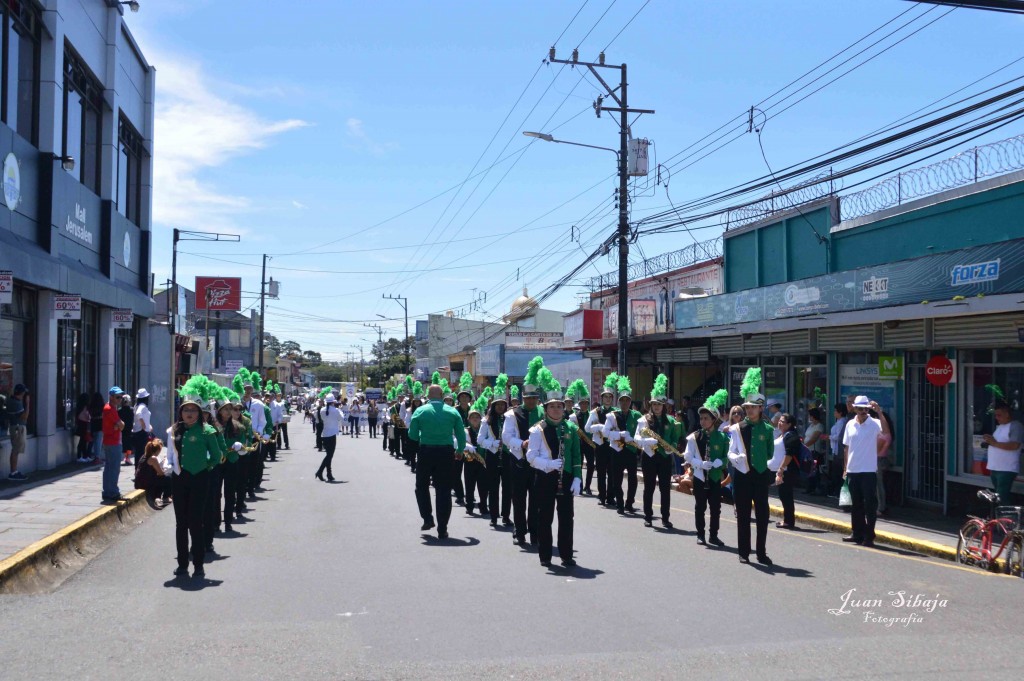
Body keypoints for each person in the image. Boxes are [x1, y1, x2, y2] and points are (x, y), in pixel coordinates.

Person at [166, 396, 222, 578]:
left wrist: (206, 467)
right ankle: (182, 564)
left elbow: (216, 456)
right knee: (181, 523)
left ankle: (198, 564)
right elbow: (169, 455)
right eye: (186, 410)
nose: (189, 414)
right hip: (179, 479)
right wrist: (169, 467)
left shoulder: (207, 431)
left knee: (196, 523)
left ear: (200, 413)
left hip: (200, 478)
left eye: (193, 410)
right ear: (180, 412)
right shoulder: (174, 431)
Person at [527, 392, 582, 568]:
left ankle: (566, 554)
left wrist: (577, 479)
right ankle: (545, 556)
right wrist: (549, 464)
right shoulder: (538, 429)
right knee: (545, 517)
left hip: (565, 478)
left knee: (566, 518)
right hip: (544, 476)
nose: (556, 409)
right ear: (545, 409)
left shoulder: (571, 428)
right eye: (552, 406)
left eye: (559, 406)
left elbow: (576, 456)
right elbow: (531, 457)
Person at [727, 369, 775, 565]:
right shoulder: (737, 429)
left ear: (761, 408)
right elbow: (730, 453)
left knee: (763, 516)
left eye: (753, 407)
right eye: (747, 408)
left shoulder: (768, 429)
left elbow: (771, 453)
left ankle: (761, 553)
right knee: (744, 515)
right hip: (742, 475)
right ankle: (744, 551)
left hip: (761, 475)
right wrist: (738, 458)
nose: (749, 411)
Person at [409, 383, 466, 539]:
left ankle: (427, 517)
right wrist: (460, 450)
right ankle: (442, 528)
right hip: (446, 453)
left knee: (421, 486)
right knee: (444, 490)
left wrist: (423, 436)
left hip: (426, 451)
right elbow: (461, 435)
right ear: (442, 396)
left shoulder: (420, 411)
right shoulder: (452, 411)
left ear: (428, 396)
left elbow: (412, 435)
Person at [503, 362, 546, 546]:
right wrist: (521, 443)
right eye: (528, 398)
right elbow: (506, 437)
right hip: (519, 461)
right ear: (522, 398)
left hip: (537, 463)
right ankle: (519, 532)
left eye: (534, 398)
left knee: (536, 500)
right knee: (519, 499)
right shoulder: (512, 414)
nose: (531, 401)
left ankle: (535, 532)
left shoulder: (544, 412)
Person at [634, 374, 682, 528]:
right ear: (650, 404)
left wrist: (671, 446)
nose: (656, 407)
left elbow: (676, 439)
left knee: (665, 489)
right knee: (649, 487)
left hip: (665, 457)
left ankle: (665, 518)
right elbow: (636, 438)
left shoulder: (671, 421)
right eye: (654, 404)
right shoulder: (643, 420)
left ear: (664, 406)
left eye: (659, 404)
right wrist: (647, 441)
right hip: (649, 456)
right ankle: (648, 516)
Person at [843, 395, 890, 548]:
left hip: (868, 471)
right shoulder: (850, 424)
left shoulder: (875, 423)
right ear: (855, 409)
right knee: (856, 505)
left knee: (870, 505)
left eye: (865, 409)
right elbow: (846, 447)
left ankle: (869, 535)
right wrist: (845, 468)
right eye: (859, 409)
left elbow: (886, 432)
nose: (862, 411)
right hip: (853, 470)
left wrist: (880, 412)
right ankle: (857, 532)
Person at [683, 390, 730, 546]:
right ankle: (700, 534)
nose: (702, 421)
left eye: (706, 418)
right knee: (700, 507)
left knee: (716, 508)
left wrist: (720, 463)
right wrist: (700, 464)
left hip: (715, 478)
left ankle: (713, 535)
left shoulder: (722, 437)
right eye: (701, 418)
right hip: (700, 477)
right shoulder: (694, 437)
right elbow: (687, 457)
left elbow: (727, 457)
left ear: (714, 419)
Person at [606, 375, 641, 515]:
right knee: (616, 479)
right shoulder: (613, 415)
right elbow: (606, 432)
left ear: (630, 401)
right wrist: (620, 435)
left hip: (631, 450)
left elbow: (643, 430)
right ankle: (619, 504)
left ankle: (629, 503)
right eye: (622, 400)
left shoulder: (637, 415)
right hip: (617, 450)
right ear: (619, 402)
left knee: (633, 479)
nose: (625, 403)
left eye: (627, 400)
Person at [479, 376, 511, 527]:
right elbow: (480, 439)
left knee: (507, 488)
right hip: (492, 457)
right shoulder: (486, 420)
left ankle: (506, 515)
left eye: (502, 405)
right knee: (493, 488)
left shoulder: (510, 419)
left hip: (507, 457)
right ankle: (493, 516)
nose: (500, 407)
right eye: (497, 405)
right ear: (493, 405)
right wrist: (492, 443)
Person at [584, 373, 619, 507]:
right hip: (600, 444)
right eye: (606, 397)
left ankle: (611, 496)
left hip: (612, 444)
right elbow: (587, 428)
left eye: (610, 397)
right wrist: (598, 427)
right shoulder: (595, 412)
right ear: (602, 398)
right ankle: (602, 496)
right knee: (601, 472)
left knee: (612, 472)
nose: (608, 399)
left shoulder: (615, 412)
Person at [983, 402, 1022, 503]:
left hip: (1006, 468)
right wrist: (990, 440)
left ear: (1007, 414)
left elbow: (1015, 445)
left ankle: (1006, 517)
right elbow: (997, 442)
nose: (996, 417)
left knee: (1002, 496)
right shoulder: (1000, 427)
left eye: (999, 415)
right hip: (995, 467)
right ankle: (1001, 516)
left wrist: (994, 443)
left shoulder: (1015, 426)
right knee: (998, 496)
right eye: (995, 415)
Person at [773, 413, 802, 529]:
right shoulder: (782, 434)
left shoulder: (791, 436)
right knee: (783, 495)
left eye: (782, 421)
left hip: (787, 471)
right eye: (779, 421)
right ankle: (787, 519)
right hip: (780, 469)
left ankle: (788, 521)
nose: (779, 423)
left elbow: (789, 455)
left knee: (786, 495)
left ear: (789, 424)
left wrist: (781, 469)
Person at [566, 381, 595, 495]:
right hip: (578, 443)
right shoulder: (574, 416)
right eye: (582, 403)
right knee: (579, 464)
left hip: (590, 443)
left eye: (586, 403)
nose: (584, 405)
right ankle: (581, 484)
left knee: (591, 465)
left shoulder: (592, 415)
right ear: (579, 404)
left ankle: (588, 486)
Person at [462, 400, 488, 516]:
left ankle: (483, 506)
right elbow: (462, 445)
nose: (475, 419)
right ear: (469, 419)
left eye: (477, 417)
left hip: (483, 462)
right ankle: (469, 506)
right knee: (469, 485)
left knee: (483, 486)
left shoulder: (485, 431)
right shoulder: (465, 430)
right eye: (472, 417)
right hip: (470, 461)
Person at [100, 387, 126, 501]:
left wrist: (118, 426)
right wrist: (117, 426)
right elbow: (122, 425)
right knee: (114, 468)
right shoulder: (110, 409)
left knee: (109, 467)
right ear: (111, 397)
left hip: (110, 441)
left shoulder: (111, 408)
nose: (120, 399)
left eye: (121, 397)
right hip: (113, 442)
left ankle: (108, 491)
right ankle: (113, 492)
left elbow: (120, 425)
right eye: (117, 397)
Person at [134, 438, 171, 507]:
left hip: (139, 482)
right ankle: (165, 497)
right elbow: (160, 473)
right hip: (146, 483)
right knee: (168, 477)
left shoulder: (144, 456)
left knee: (162, 477)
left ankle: (158, 496)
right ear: (157, 450)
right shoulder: (153, 458)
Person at [822, 403, 849, 497]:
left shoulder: (842, 422)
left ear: (840, 412)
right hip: (835, 449)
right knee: (836, 472)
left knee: (837, 473)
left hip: (839, 450)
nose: (834, 413)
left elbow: (838, 436)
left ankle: (837, 492)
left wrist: (828, 437)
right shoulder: (839, 421)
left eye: (835, 411)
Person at [6, 384, 29, 480]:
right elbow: (24, 416)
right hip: (17, 428)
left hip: (16, 427)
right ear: (22, 393)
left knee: (16, 450)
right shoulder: (15, 402)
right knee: (15, 450)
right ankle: (13, 472)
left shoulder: (13, 400)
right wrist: (28, 403)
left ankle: (14, 471)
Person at [316, 394, 342, 481]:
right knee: (329, 456)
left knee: (328, 455)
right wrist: (339, 410)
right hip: (332, 434)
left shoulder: (322, 410)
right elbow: (341, 418)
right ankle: (320, 471)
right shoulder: (335, 410)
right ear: (333, 402)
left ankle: (328, 474)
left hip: (325, 434)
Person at [874, 408, 894, 515]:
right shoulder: (884, 435)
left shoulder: (884, 436)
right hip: (879, 460)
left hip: (878, 460)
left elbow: (875, 450)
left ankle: (881, 506)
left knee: (878, 485)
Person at [803, 408, 826, 494]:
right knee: (808, 470)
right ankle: (809, 488)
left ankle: (815, 488)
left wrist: (805, 446)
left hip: (814, 451)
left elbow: (814, 439)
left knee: (814, 470)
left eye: (810, 416)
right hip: (808, 450)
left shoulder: (819, 426)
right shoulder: (811, 425)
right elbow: (806, 436)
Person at [132, 388, 153, 471]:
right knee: (142, 453)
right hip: (142, 432)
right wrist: (144, 425)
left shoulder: (136, 406)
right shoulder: (142, 406)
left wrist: (148, 425)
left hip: (138, 431)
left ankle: (138, 470)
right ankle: (140, 470)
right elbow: (138, 414)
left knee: (138, 453)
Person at [73, 393, 92, 463]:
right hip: (83, 425)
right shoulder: (84, 407)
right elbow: (87, 417)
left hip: (81, 425)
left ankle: (84, 456)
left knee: (83, 441)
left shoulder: (79, 407)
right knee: (82, 441)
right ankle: (80, 456)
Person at [88, 391, 105, 464]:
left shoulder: (91, 406)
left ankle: (94, 456)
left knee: (94, 441)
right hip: (100, 424)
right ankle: (97, 457)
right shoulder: (102, 406)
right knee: (99, 441)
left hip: (93, 424)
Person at [118, 394, 134, 466]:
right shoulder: (132, 410)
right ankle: (127, 457)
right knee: (129, 444)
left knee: (123, 443)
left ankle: (125, 457)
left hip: (122, 429)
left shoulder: (119, 410)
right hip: (129, 429)